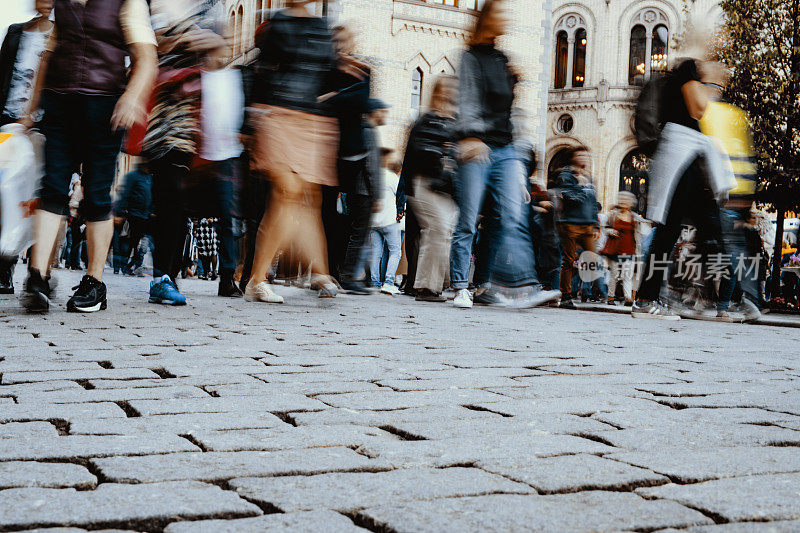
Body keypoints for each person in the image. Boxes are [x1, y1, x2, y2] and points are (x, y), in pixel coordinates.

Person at [20, 0, 157, 313]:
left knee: (96, 194)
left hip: (104, 105)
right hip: (59, 102)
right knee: (52, 187)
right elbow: (49, 55)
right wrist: (31, 109)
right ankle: (37, 277)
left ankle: (94, 283)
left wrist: (131, 97)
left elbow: (147, 58)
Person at [449, 0, 556, 309]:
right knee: (469, 219)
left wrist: (519, 172)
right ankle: (459, 285)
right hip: (475, 146)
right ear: (486, 19)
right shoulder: (471, 58)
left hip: (506, 148)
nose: (505, 18)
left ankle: (494, 285)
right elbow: (467, 101)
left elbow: (511, 112)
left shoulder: (504, 60)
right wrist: (471, 137)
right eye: (499, 13)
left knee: (509, 215)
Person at [245, 0, 342, 304]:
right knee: (287, 194)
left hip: (310, 118)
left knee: (309, 199)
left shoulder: (320, 26)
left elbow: (325, 75)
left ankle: (321, 271)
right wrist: (251, 122)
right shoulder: (279, 22)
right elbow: (261, 71)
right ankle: (257, 280)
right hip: (278, 112)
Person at [144, 1, 232, 306]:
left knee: (177, 199)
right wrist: (179, 40)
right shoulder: (157, 4)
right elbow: (141, 45)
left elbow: (222, 53)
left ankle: (167, 274)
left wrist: (212, 42)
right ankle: (162, 276)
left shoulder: (210, 7)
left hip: (191, 119)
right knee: (168, 194)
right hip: (160, 113)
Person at [0, 0, 54, 294]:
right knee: (6, 187)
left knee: (40, 198)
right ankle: (6, 262)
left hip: (46, 128)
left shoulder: (64, 34)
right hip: (8, 122)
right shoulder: (15, 32)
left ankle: (39, 272)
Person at [402, 76, 458, 303]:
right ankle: (426, 287)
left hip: (445, 187)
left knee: (441, 233)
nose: (450, 94)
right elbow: (416, 152)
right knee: (436, 230)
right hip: (425, 182)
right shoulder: (427, 120)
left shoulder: (456, 121)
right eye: (446, 89)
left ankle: (432, 286)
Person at [339, 98, 388, 295]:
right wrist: (377, 195)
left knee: (360, 235)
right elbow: (371, 167)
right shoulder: (369, 131)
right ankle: (349, 276)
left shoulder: (363, 129)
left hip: (359, 190)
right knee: (359, 235)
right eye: (383, 111)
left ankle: (359, 276)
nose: (385, 115)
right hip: (364, 191)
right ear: (374, 112)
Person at [555, 147, 599, 309]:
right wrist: (580, 185)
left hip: (587, 225)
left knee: (591, 260)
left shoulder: (588, 177)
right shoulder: (566, 175)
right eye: (580, 154)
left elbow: (593, 203)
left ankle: (584, 290)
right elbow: (568, 197)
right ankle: (566, 296)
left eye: (586, 155)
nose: (584, 158)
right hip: (570, 223)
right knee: (568, 261)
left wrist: (595, 224)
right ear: (573, 157)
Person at [368, 148, 402, 294]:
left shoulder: (371, 176)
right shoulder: (392, 177)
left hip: (373, 221)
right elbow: (401, 196)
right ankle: (388, 282)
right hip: (389, 220)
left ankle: (374, 283)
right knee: (395, 252)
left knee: (376, 252)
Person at [112, 162, 152, 276]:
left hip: (146, 216)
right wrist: (119, 213)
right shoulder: (133, 176)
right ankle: (123, 266)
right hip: (133, 216)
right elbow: (124, 195)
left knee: (140, 245)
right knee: (130, 243)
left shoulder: (151, 178)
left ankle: (131, 265)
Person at [602, 192, 639, 306]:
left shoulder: (635, 217)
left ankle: (628, 298)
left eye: (626, 199)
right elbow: (604, 228)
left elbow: (639, 234)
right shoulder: (612, 215)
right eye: (621, 199)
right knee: (614, 275)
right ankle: (610, 297)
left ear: (631, 203)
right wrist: (610, 231)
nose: (623, 201)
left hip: (629, 251)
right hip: (615, 251)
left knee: (628, 275)